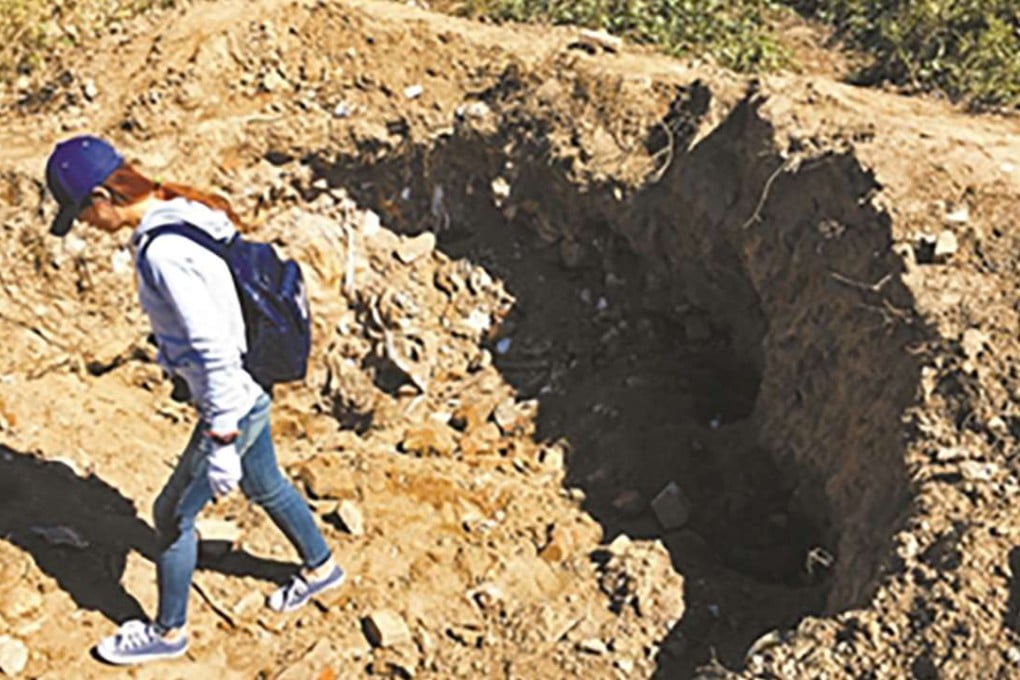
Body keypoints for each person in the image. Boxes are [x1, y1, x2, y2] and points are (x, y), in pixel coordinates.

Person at [44, 135, 345, 665]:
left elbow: (212, 346)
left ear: (101, 196)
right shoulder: (180, 208)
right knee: (265, 480)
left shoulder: (163, 252)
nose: (86, 227)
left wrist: (222, 436)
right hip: (252, 380)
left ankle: (168, 631)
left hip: (232, 395)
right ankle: (321, 568)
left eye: (82, 213)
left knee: (170, 517)